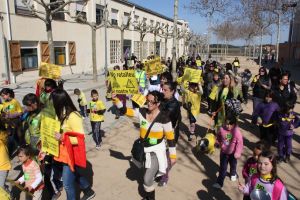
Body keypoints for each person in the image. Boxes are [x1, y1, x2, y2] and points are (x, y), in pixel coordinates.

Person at [113, 91, 176, 200]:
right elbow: (126, 111)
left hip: (156, 151)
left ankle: (151, 198)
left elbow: (170, 138)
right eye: (148, 101)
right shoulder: (141, 112)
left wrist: (173, 156)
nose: (149, 104)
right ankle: (149, 197)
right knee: (146, 172)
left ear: (158, 103)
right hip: (144, 150)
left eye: (152, 102)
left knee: (147, 179)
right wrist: (116, 100)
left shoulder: (164, 118)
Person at [51, 89, 95, 200]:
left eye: (52, 100)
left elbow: (80, 138)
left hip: (71, 155)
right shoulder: (59, 114)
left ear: (59, 101)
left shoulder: (73, 116)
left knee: (67, 183)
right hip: (63, 153)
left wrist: (62, 137)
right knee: (73, 174)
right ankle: (88, 191)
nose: (51, 102)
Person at [158, 82, 181, 187]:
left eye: (166, 90)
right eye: (162, 89)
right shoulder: (163, 99)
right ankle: (159, 172)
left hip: (169, 135)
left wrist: (156, 107)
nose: (163, 92)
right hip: (159, 132)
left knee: (166, 157)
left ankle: (165, 177)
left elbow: (164, 116)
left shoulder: (174, 104)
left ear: (172, 91)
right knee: (158, 154)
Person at [213, 115, 244, 189]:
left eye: (230, 124)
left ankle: (233, 173)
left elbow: (240, 143)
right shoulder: (222, 129)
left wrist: (237, 153)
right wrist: (217, 142)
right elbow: (218, 136)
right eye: (227, 123)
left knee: (233, 165)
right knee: (223, 168)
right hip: (223, 152)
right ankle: (219, 183)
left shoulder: (236, 132)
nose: (228, 126)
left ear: (234, 124)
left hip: (233, 154)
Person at [0, 88, 23, 155]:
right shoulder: (4, 103)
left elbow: (20, 112)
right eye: (1, 96)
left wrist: (12, 115)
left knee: (16, 137)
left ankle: (20, 148)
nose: (3, 97)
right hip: (7, 123)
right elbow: (4, 111)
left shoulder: (15, 101)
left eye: (3, 95)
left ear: (8, 94)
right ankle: (12, 151)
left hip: (15, 123)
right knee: (10, 137)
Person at [0, 122, 11, 189]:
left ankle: (8, 195)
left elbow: (6, 134)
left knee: (0, 189)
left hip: (3, 167)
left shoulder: (2, 136)